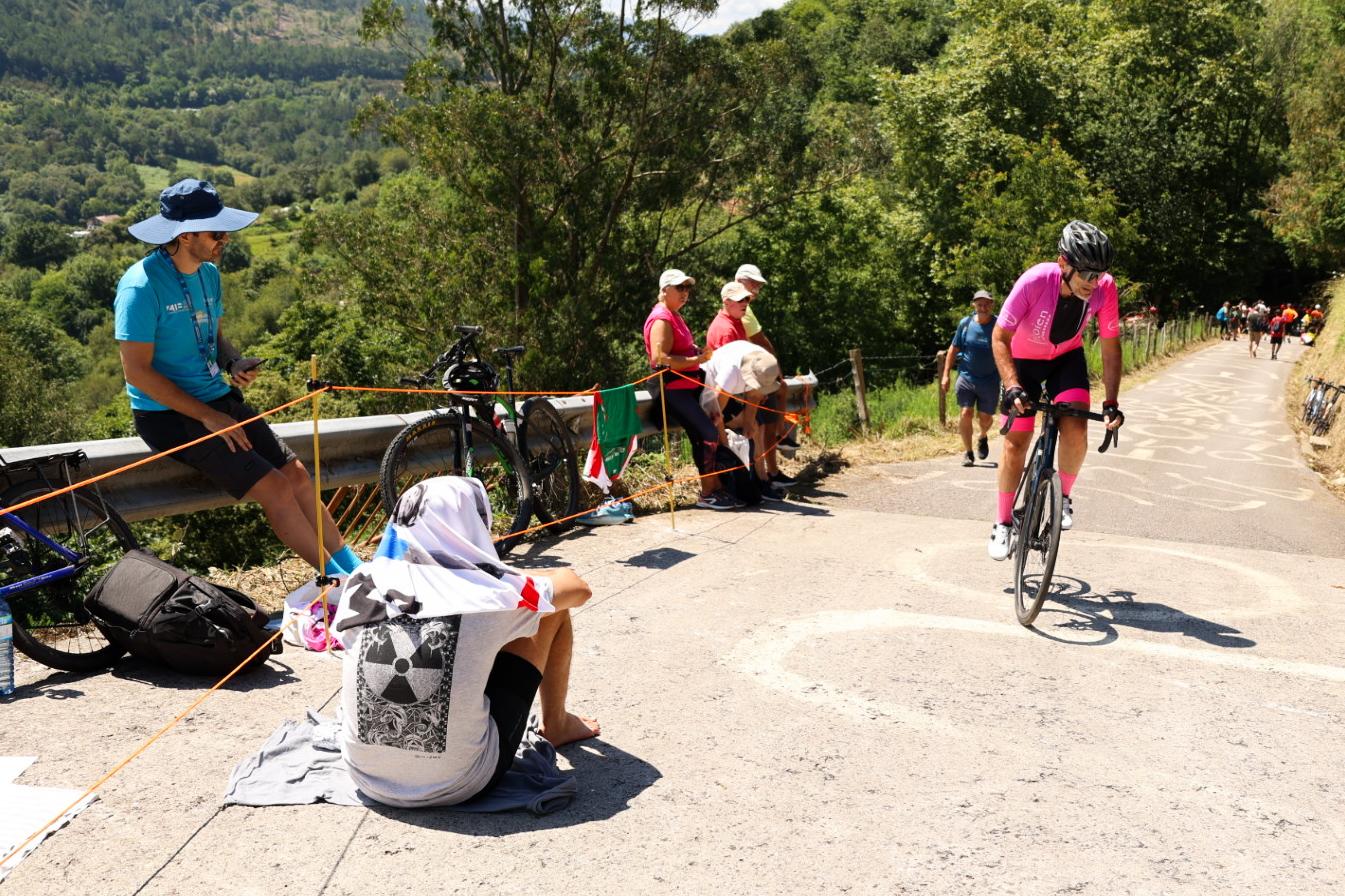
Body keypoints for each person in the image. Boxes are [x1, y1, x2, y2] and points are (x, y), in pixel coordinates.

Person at [115, 179, 360, 578]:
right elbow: (136, 372)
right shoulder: (140, 287)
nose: (225, 239)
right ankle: (338, 581)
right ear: (185, 234)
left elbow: (213, 338)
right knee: (276, 488)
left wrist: (232, 362)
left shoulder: (209, 274)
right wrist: (208, 417)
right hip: (169, 415)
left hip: (217, 400)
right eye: (217, 232)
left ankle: (357, 571)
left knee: (297, 476)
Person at [334, 477, 599, 808]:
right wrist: (508, 577)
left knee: (465, 646)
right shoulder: (489, 596)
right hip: (461, 782)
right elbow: (578, 589)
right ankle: (556, 724)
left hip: (366, 777)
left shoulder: (361, 582)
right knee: (548, 612)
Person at [987, 221, 1125, 561]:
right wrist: (1012, 386)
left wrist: (1111, 401)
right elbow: (1000, 337)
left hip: (1066, 359)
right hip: (1023, 363)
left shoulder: (1105, 288)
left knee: (1076, 428)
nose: (1094, 283)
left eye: (1099, 275)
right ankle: (1003, 522)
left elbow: (1110, 347)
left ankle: (1062, 497)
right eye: (1087, 274)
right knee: (1016, 441)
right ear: (1064, 263)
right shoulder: (1035, 280)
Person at [644, 269, 737, 511]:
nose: (685, 292)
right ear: (665, 290)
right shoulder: (662, 318)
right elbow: (660, 359)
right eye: (680, 287)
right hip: (672, 388)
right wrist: (696, 360)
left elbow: (680, 349)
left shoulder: (674, 315)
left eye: (687, 288)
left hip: (688, 386)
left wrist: (696, 351)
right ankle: (707, 493)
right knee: (707, 433)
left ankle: (713, 489)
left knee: (703, 435)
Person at [699, 339, 787, 501]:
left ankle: (761, 481)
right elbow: (715, 412)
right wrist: (725, 443)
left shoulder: (766, 364)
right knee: (726, 438)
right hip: (708, 387)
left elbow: (754, 395)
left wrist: (748, 424)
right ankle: (729, 484)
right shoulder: (731, 372)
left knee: (754, 428)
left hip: (729, 391)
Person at [735, 264, 798, 484]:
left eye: (759, 285)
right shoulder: (741, 309)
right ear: (740, 281)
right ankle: (765, 476)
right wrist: (776, 369)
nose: (756, 288)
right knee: (761, 427)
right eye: (753, 283)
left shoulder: (746, 308)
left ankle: (771, 472)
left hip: (757, 372)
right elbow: (760, 340)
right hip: (753, 375)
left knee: (766, 424)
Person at [940, 289, 1001, 466]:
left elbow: (1008, 348)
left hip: (990, 379)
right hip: (967, 377)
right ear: (973, 304)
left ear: (992, 305)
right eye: (979, 304)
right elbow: (953, 349)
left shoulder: (999, 325)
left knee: (986, 418)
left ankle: (982, 436)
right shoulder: (965, 324)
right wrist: (945, 375)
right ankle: (968, 452)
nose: (983, 307)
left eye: (986, 304)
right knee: (965, 412)